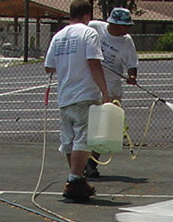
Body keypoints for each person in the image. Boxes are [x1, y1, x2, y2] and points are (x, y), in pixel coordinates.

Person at [44, 0, 110, 202]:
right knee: (83, 138)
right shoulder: (89, 33)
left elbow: (48, 67)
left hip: (65, 96)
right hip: (84, 94)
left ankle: (78, 180)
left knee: (70, 139)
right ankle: (73, 180)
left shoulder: (58, 36)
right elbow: (93, 62)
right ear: (87, 15)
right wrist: (105, 92)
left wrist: (67, 63)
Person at [85, 7, 139, 178]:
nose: (127, 29)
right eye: (124, 26)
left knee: (104, 127)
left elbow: (132, 63)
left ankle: (92, 163)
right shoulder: (94, 27)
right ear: (113, 24)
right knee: (86, 124)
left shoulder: (127, 41)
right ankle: (81, 161)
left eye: (128, 26)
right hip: (91, 83)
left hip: (111, 86)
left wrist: (132, 76)